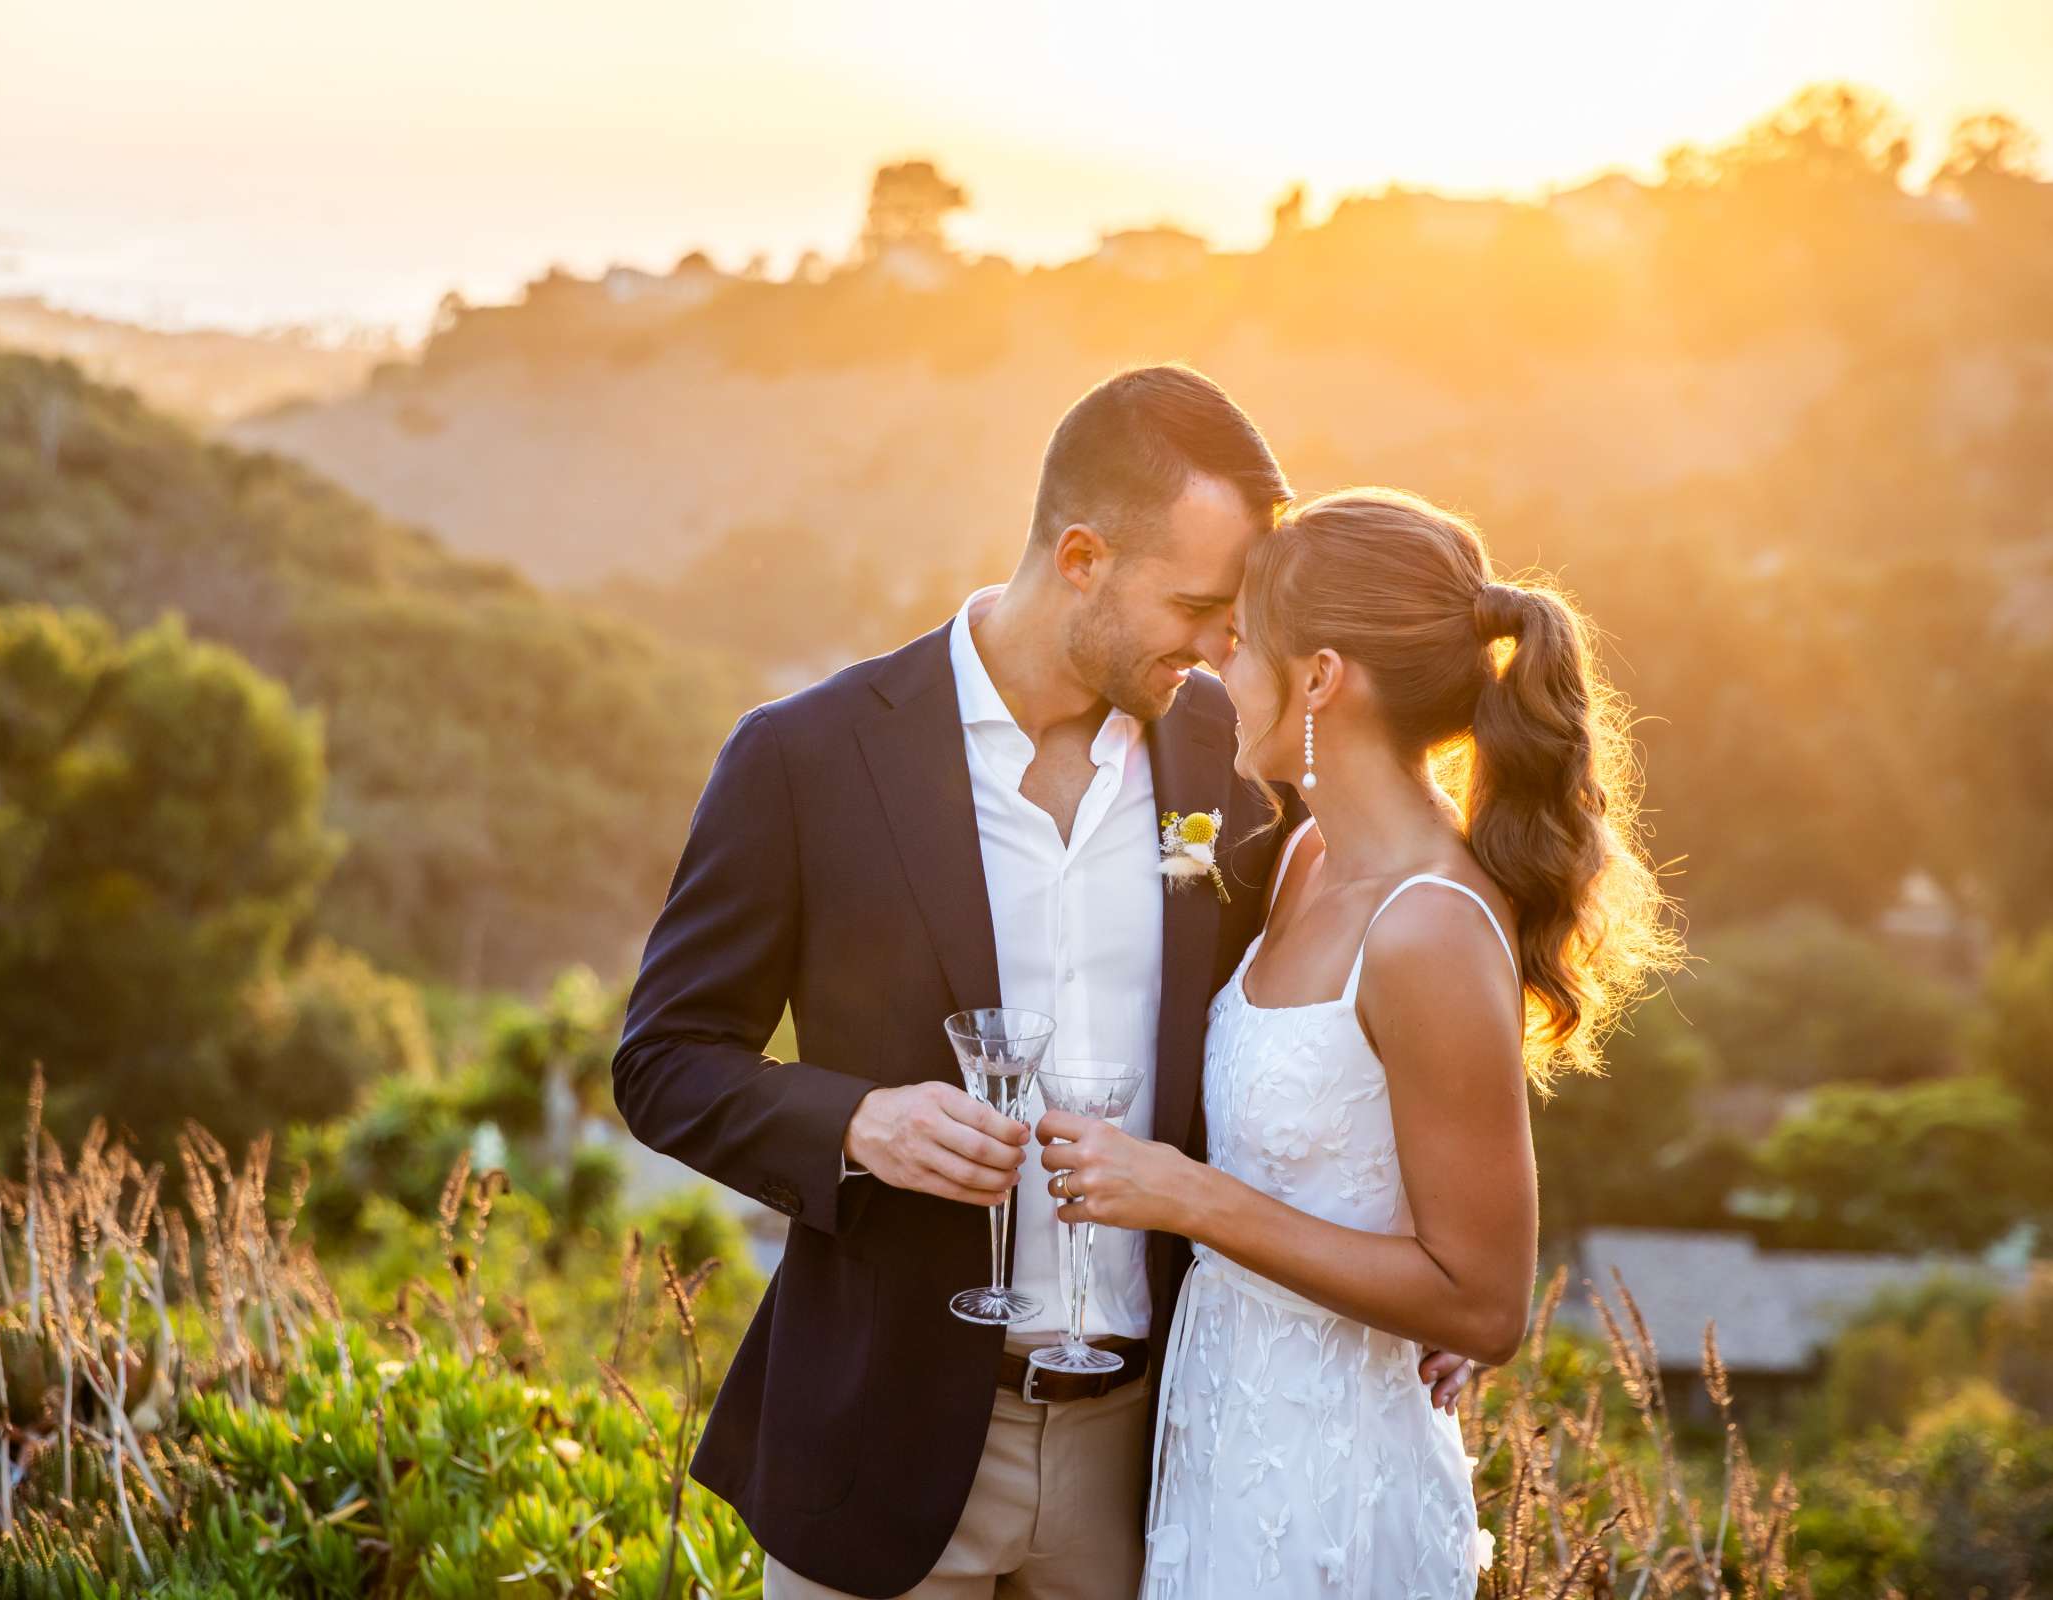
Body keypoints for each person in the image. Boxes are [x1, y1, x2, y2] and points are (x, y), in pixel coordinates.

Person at [613, 371, 1475, 1600]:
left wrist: (1423, 1263)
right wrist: (859, 1122)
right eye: (1196, 605)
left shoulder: (1230, 767)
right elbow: (665, 1060)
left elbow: (1328, 1015)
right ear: (1081, 556)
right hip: (884, 1454)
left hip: (1152, 1458)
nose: (1224, 646)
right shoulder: (806, 758)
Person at [1034, 487, 1679, 1597]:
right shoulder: (1305, 857)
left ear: (1322, 678)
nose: (1218, 675)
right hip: (1222, 1441)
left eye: (1242, 649)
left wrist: (1185, 1198)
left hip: (1334, 1484)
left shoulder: (1428, 925)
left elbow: (1483, 1301)